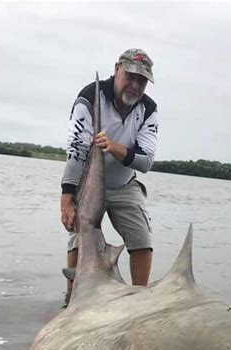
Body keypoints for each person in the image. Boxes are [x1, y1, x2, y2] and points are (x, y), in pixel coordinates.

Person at [60, 48, 159, 304]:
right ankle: (72, 299)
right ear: (116, 69)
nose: (135, 85)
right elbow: (76, 150)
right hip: (88, 183)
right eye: (131, 76)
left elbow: (146, 161)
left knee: (142, 241)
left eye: (142, 81)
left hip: (124, 184)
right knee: (78, 236)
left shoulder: (148, 109)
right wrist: (67, 197)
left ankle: (138, 300)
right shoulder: (88, 98)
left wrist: (113, 147)